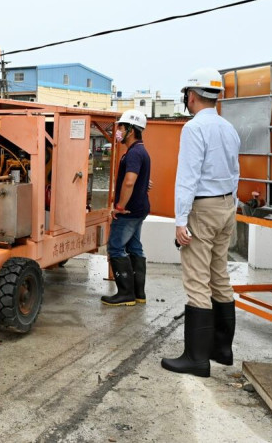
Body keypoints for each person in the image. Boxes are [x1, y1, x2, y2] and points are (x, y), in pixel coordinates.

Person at [162, 67, 240, 378]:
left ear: (191, 96)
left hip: (202, 209)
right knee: (219, 275)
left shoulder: (194, 129)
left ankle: (196, 358)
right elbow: (236, 172)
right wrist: (230, 205)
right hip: (225, 206)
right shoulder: (228, 128)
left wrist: (181, 221)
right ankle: (221, 349)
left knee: (197, 281)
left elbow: (187, 178)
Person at [102, 110, 151, 306]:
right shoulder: (141, 151)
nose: (118, 131)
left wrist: (119, 206)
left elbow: (129, 182)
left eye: (121, 127)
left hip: (129, 211)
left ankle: (125, 294)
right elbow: (140, 180)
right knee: (134, 247)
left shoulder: (133, 153)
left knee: (115, 247)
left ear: (131, 130)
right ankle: (139, 294)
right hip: (139, 209)